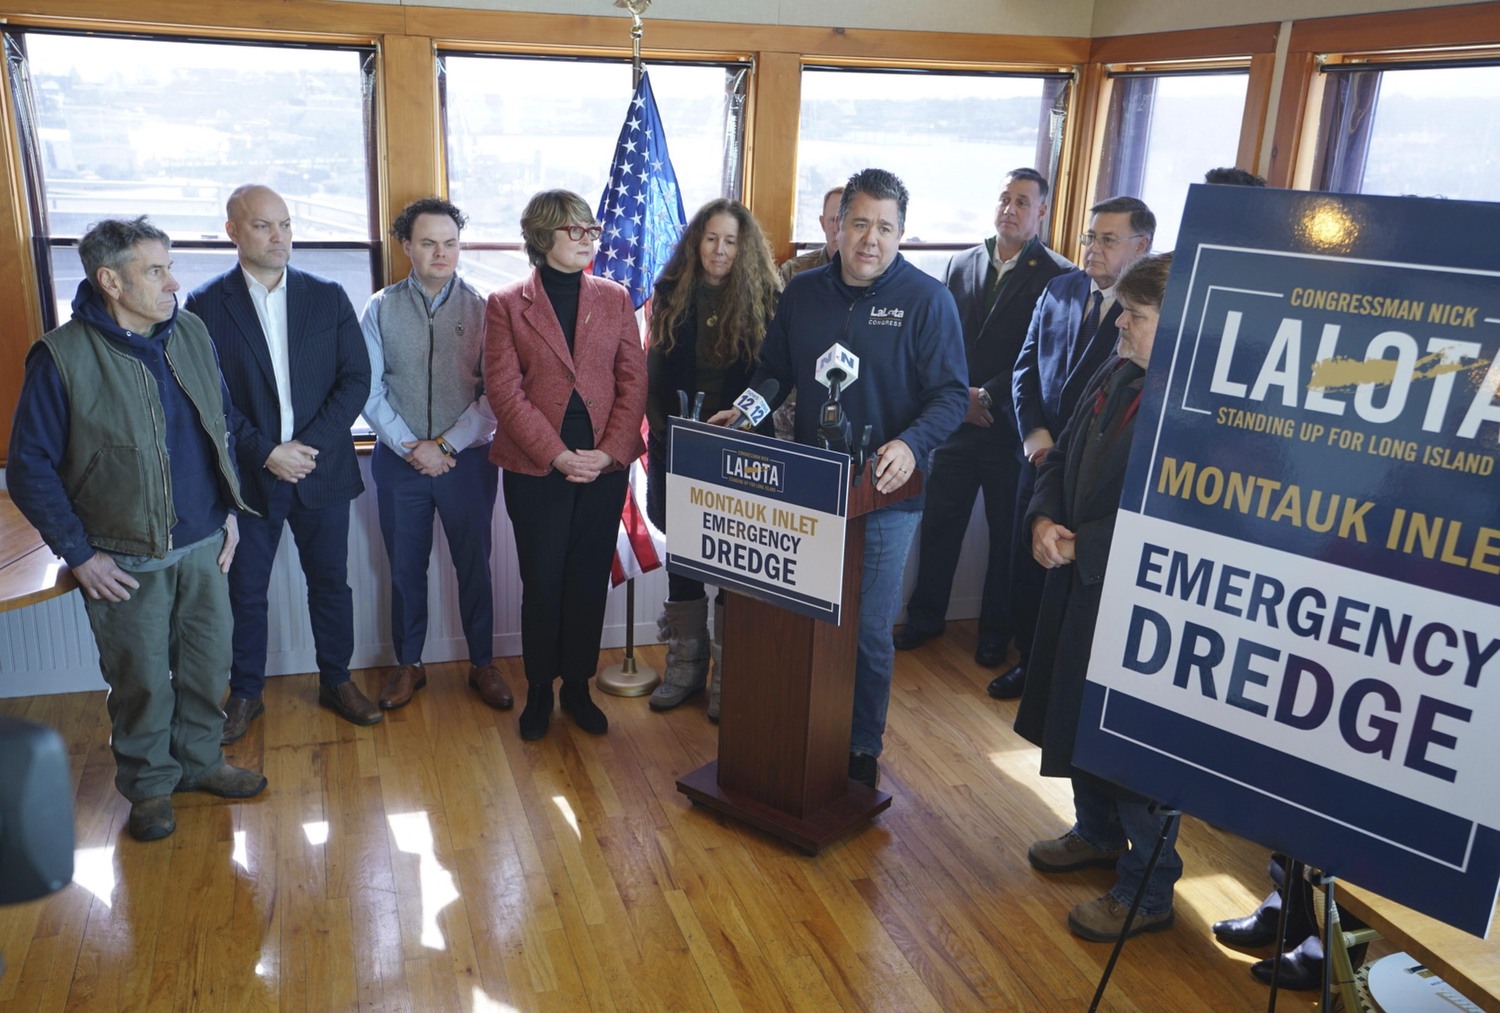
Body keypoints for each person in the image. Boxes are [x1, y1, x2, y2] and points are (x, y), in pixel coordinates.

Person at [6, 217, 267, 842]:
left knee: (208, 669)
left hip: (205, 545)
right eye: (155, 271)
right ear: (111, 281)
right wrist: (79, 554)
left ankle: (201, 763)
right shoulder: (61, 358)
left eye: (168, 266)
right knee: (142, 682)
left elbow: (221, 421)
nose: (172, 282)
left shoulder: (191, 333)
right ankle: (150, 788)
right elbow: (28, 468)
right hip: (124, 560)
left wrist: (230, 510)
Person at [720, 168, 968, 789]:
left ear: (902, 234)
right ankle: (804, 730)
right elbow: (773, 371)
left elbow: (950, 396)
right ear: (836, 226)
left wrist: (912, 446)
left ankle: (861, 746)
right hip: (808, 492)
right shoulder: (802, 294)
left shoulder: (928, 300)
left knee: (866, 632)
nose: (870, 240)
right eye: (859, 223)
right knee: (803, 622)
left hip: (886, 498)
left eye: (885, 228)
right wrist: (744, 412)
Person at [1015, 253, 1178, 942]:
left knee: (1123, 737)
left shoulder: (1192, 406)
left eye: (1135, 319)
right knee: (1073, 711)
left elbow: (1180, 515)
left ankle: (1148, 885)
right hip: (1075, 578)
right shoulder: (1115, 374)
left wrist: (1091, 544)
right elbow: (1060, 458)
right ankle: (1096, 830)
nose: (1121, 329)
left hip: (1134, 597)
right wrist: (1042, 521)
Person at [186, 184, 380, 738]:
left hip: (322, 471)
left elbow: (356, 380)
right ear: (233, 232)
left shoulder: (328, 296)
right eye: (263, 226)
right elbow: (209, 398)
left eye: (286, 224)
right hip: (249, 478)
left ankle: (336, 680)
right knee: (244, 591)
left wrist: (305, 449)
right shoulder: (204, 306)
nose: (279, 237)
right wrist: (266, 451)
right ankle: (246, 692)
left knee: (331, 584)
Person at [893, 168, 1073, 672]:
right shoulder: (962, 261)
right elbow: (945, 340)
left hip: (1007, 429)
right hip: (953, 422)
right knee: (940, 527)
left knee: (1005, 536)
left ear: (1042, 213)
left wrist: (986, 398)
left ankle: (996, 634)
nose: (1010, 208)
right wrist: (959, 399)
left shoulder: (1059, 276)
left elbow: (1039, 357)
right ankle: (925, 618)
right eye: (1004, 198)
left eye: (1023, 201)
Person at [484, 189, 647, 741]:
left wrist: (611, 452)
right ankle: (539, 692)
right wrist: (556, 455)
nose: (587, 241)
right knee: (544, 584)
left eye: (591, 231)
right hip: (537, 469)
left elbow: (634, 380)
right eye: (574, 231)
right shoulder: (505, 304)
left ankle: (577, 686)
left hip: (605, 466)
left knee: (585, 584)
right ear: (541, 236)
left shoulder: (615, 297)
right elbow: (505, 393)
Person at [360, 197, 510, 713]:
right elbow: (368, 387)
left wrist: (446, 445)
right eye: (428, 242)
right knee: (404, 569)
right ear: (407, 247)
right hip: (399, 463)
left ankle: (483, 663)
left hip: (467, 462)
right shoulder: (379, 307)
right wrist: (412, 447)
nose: (441, 252)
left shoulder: (487, 308)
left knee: (476, 566)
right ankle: (409, 665)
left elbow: (497, 393)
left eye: (450, 242)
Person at [1004, 195, 1154, 701]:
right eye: (1091, 237)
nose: (1092, 249)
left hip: (1095, 493)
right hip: (1045, 460)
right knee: (1026, 571)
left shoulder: (1140, 344)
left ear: (1142, 245)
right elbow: (1025, 369)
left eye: (1108, 240)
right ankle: (1030, 664)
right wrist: (1035, 438)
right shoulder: (1059, 289)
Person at [643, 198, 781, 716]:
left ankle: (729, 671)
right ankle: (686, 663)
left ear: (743, 248)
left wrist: (740, 422)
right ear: (695, 242)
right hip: (676, 445)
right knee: (684, 554)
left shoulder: (768, 296)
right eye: (711, 239)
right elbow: (653, 377)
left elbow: (775, 376)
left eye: (731, 241)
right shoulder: (669, 293)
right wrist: (665, 432)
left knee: (733, 560)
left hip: (741, 447)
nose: (720, 250)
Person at [779, 185, 843, 282]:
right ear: (822, 223)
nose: (837, 229)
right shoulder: (793, 272)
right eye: (833, 220)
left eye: (844, 221)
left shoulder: (870, 274)